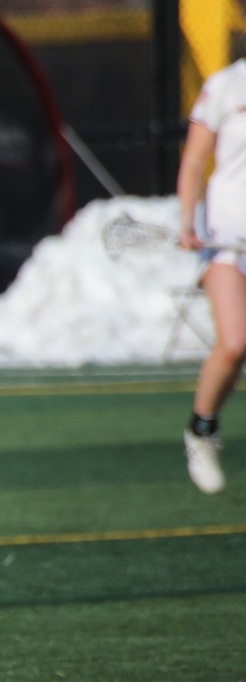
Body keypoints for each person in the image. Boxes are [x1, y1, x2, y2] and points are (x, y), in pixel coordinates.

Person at [178, 55, 246, 494]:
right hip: (229, 241)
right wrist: (187, 220)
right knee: (236, 343)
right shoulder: (227, 84)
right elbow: (194, 159)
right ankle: (201, 431)